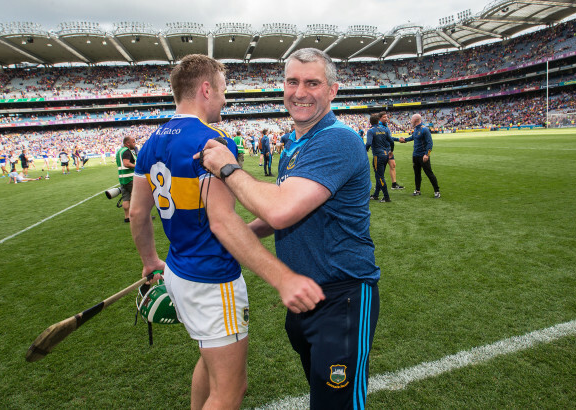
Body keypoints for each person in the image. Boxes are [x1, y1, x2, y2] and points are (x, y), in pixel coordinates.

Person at [129, 54, 323, 410]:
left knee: (208, 359)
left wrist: (149, 261)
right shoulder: (212, 141)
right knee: (230, 390)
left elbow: (138, 212)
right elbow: (221, 220)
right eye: (221, 90)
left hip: (176, 269)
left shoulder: (152, 141)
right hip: (211, 277)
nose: (224, 99)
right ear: (205, 89)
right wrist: (282, 279)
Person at [197, 48, 380, 410]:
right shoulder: (295, 144)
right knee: (322, 397)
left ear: (332, 91)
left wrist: (228, 168)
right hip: (304, 296)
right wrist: (238, 236)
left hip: (342, 297)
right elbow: (289, 211)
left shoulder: (337, 139)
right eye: (292, 81)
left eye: (312, 83)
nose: (299, 92)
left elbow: (281, 210)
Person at [397, 113, 440, 198]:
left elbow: (429, 143)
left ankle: (437, 191)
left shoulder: (425, 130)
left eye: (411, 119)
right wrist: (404, 140)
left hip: (423, 156)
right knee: (417, 174)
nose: (410, 121)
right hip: (415, 155)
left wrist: (427, 154)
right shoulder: (416, 129)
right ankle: (417, 190)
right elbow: (412, 137)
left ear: (416, 120)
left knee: (429, 173)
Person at [365, 113, 392, 203]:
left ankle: (386, 197)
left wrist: (365, 150)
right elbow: (391, 141)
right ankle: (376, 195)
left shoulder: (371, 131)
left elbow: (368, 143)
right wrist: (391, 150)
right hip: (385, 155)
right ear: (378, 121)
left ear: (370, 122)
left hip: (378, 156)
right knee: (379, 175)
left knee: (379, 176)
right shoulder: (384, 129)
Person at [379, 112, 404, 190]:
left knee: (393, 165)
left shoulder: (385, 126)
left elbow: (389, 138)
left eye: (386, 117)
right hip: (383, 150)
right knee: (381, 169)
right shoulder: (380, 127)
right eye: (384, 117)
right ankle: (379, 186)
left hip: (388, 149)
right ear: (380, 118)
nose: (386, 118)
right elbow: (388, 138)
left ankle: (394, 184)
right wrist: (397, 139)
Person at [115, 136, 137, 223]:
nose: (134, 143)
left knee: (125, 198)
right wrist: (137, 166)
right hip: (130, 178)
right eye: (133, 142)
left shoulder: (119, 151)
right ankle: (138, 215)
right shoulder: (127, 151)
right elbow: (126, 163)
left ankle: (127, 217)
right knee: (137, 197)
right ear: (128, 143)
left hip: (122, 178)